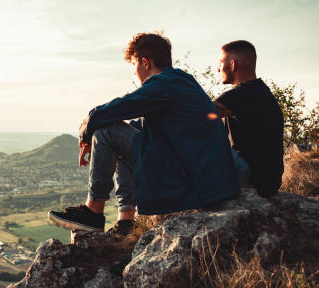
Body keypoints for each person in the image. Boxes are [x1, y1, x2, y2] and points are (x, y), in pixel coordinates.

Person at [48, 32, 240, 236]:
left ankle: (93, 212)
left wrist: (86, 134)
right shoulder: (181, 81)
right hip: (206, 179)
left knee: (106, 132)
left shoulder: (163, 84)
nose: (135, 74)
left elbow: (111, 111)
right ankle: (126, 221)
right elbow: (139, 125)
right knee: (132, 134)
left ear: (145, 63)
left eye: (134, 67)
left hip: (191, 182)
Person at [215, 40, 284, 197]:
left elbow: (197, 116)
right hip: (268, 180)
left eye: (221, 63)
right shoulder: (259, 91)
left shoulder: (240, 95)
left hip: (252, 178)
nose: (218, 69)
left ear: (232, 65)